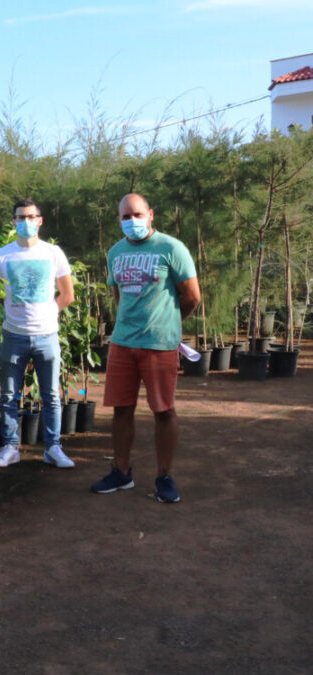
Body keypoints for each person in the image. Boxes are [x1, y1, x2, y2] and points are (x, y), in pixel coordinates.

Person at [92, 193, 200, 503]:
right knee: (121, 410)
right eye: (126, 216)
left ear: (150, 215)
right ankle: (121, 472)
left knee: (163, 411)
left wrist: (168, 321)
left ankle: (164, 476)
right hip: (123, 344)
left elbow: (192, 296)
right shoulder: (115, 252)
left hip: (159, 344)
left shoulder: (171, 248)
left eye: (137, 214)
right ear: (119, 220)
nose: (132, 221)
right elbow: (118, 295)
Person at [0, 198, 76, 470]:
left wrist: (50, 313)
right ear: (13, 222)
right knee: (8, 395)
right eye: (20, 217)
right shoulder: (2, 256)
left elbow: (67, 294)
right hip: (13, 335)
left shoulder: (53, 253)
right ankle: (11, 447)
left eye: (30, 217)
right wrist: (12, 314)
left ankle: (53, 448)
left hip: (47, 336)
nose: (25, 222)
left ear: (40, 220)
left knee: (50, 395)